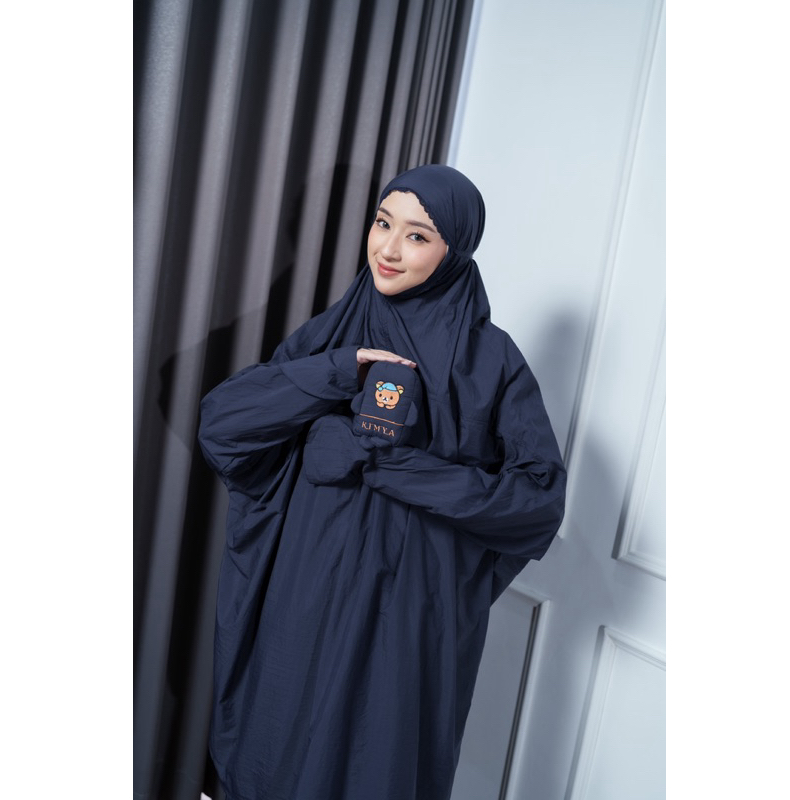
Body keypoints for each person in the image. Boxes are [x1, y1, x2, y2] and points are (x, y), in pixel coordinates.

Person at [198, 164, 567, 800]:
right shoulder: (334, 333)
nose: (388, 249)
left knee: (377, 763)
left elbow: (537, 503)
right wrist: (343, 370)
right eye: (382, 223)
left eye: (418, 236)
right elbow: (224, 424)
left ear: (456, 249)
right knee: (277, 752)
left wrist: (385, 466)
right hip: (303, 593)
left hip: (410, 613)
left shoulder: (492, 362)